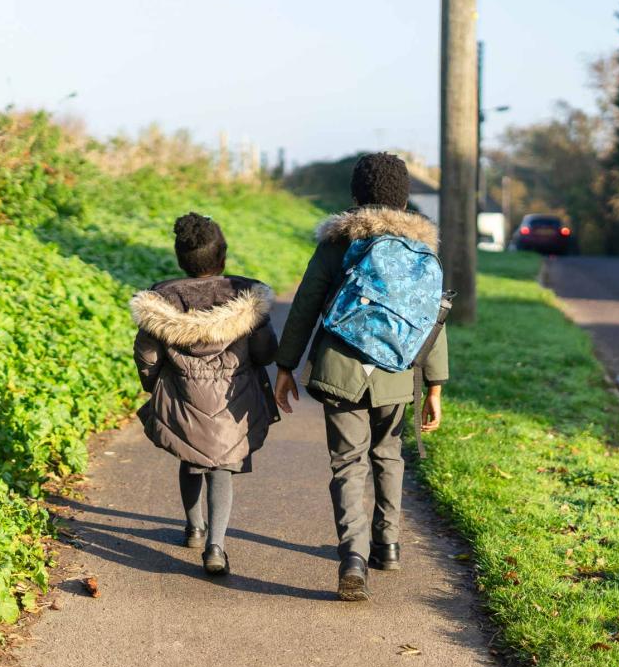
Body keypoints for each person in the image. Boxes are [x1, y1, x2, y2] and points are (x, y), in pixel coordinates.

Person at [273, 153, 448, 601]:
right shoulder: (421, 249)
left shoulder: (339, 242)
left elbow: (306, 305)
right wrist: (434, 385)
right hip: (398, 369)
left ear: (355, 196)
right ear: (405, 199)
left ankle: (353, 557)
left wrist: (286, 365)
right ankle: (386, 545)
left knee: (348, 462)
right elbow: (431, 318)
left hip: (342, 367)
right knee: (388, 453)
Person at [130, 212, 279, 576]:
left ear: (180, 258)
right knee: (221, 468)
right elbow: (265, 352)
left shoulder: (162, 302)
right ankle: (216, 545)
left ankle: (194, 528)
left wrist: (153, 384)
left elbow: (147, 355)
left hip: (183, 393)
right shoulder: (245, 300)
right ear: (223, 256)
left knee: (190, 455)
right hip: (234, 398)